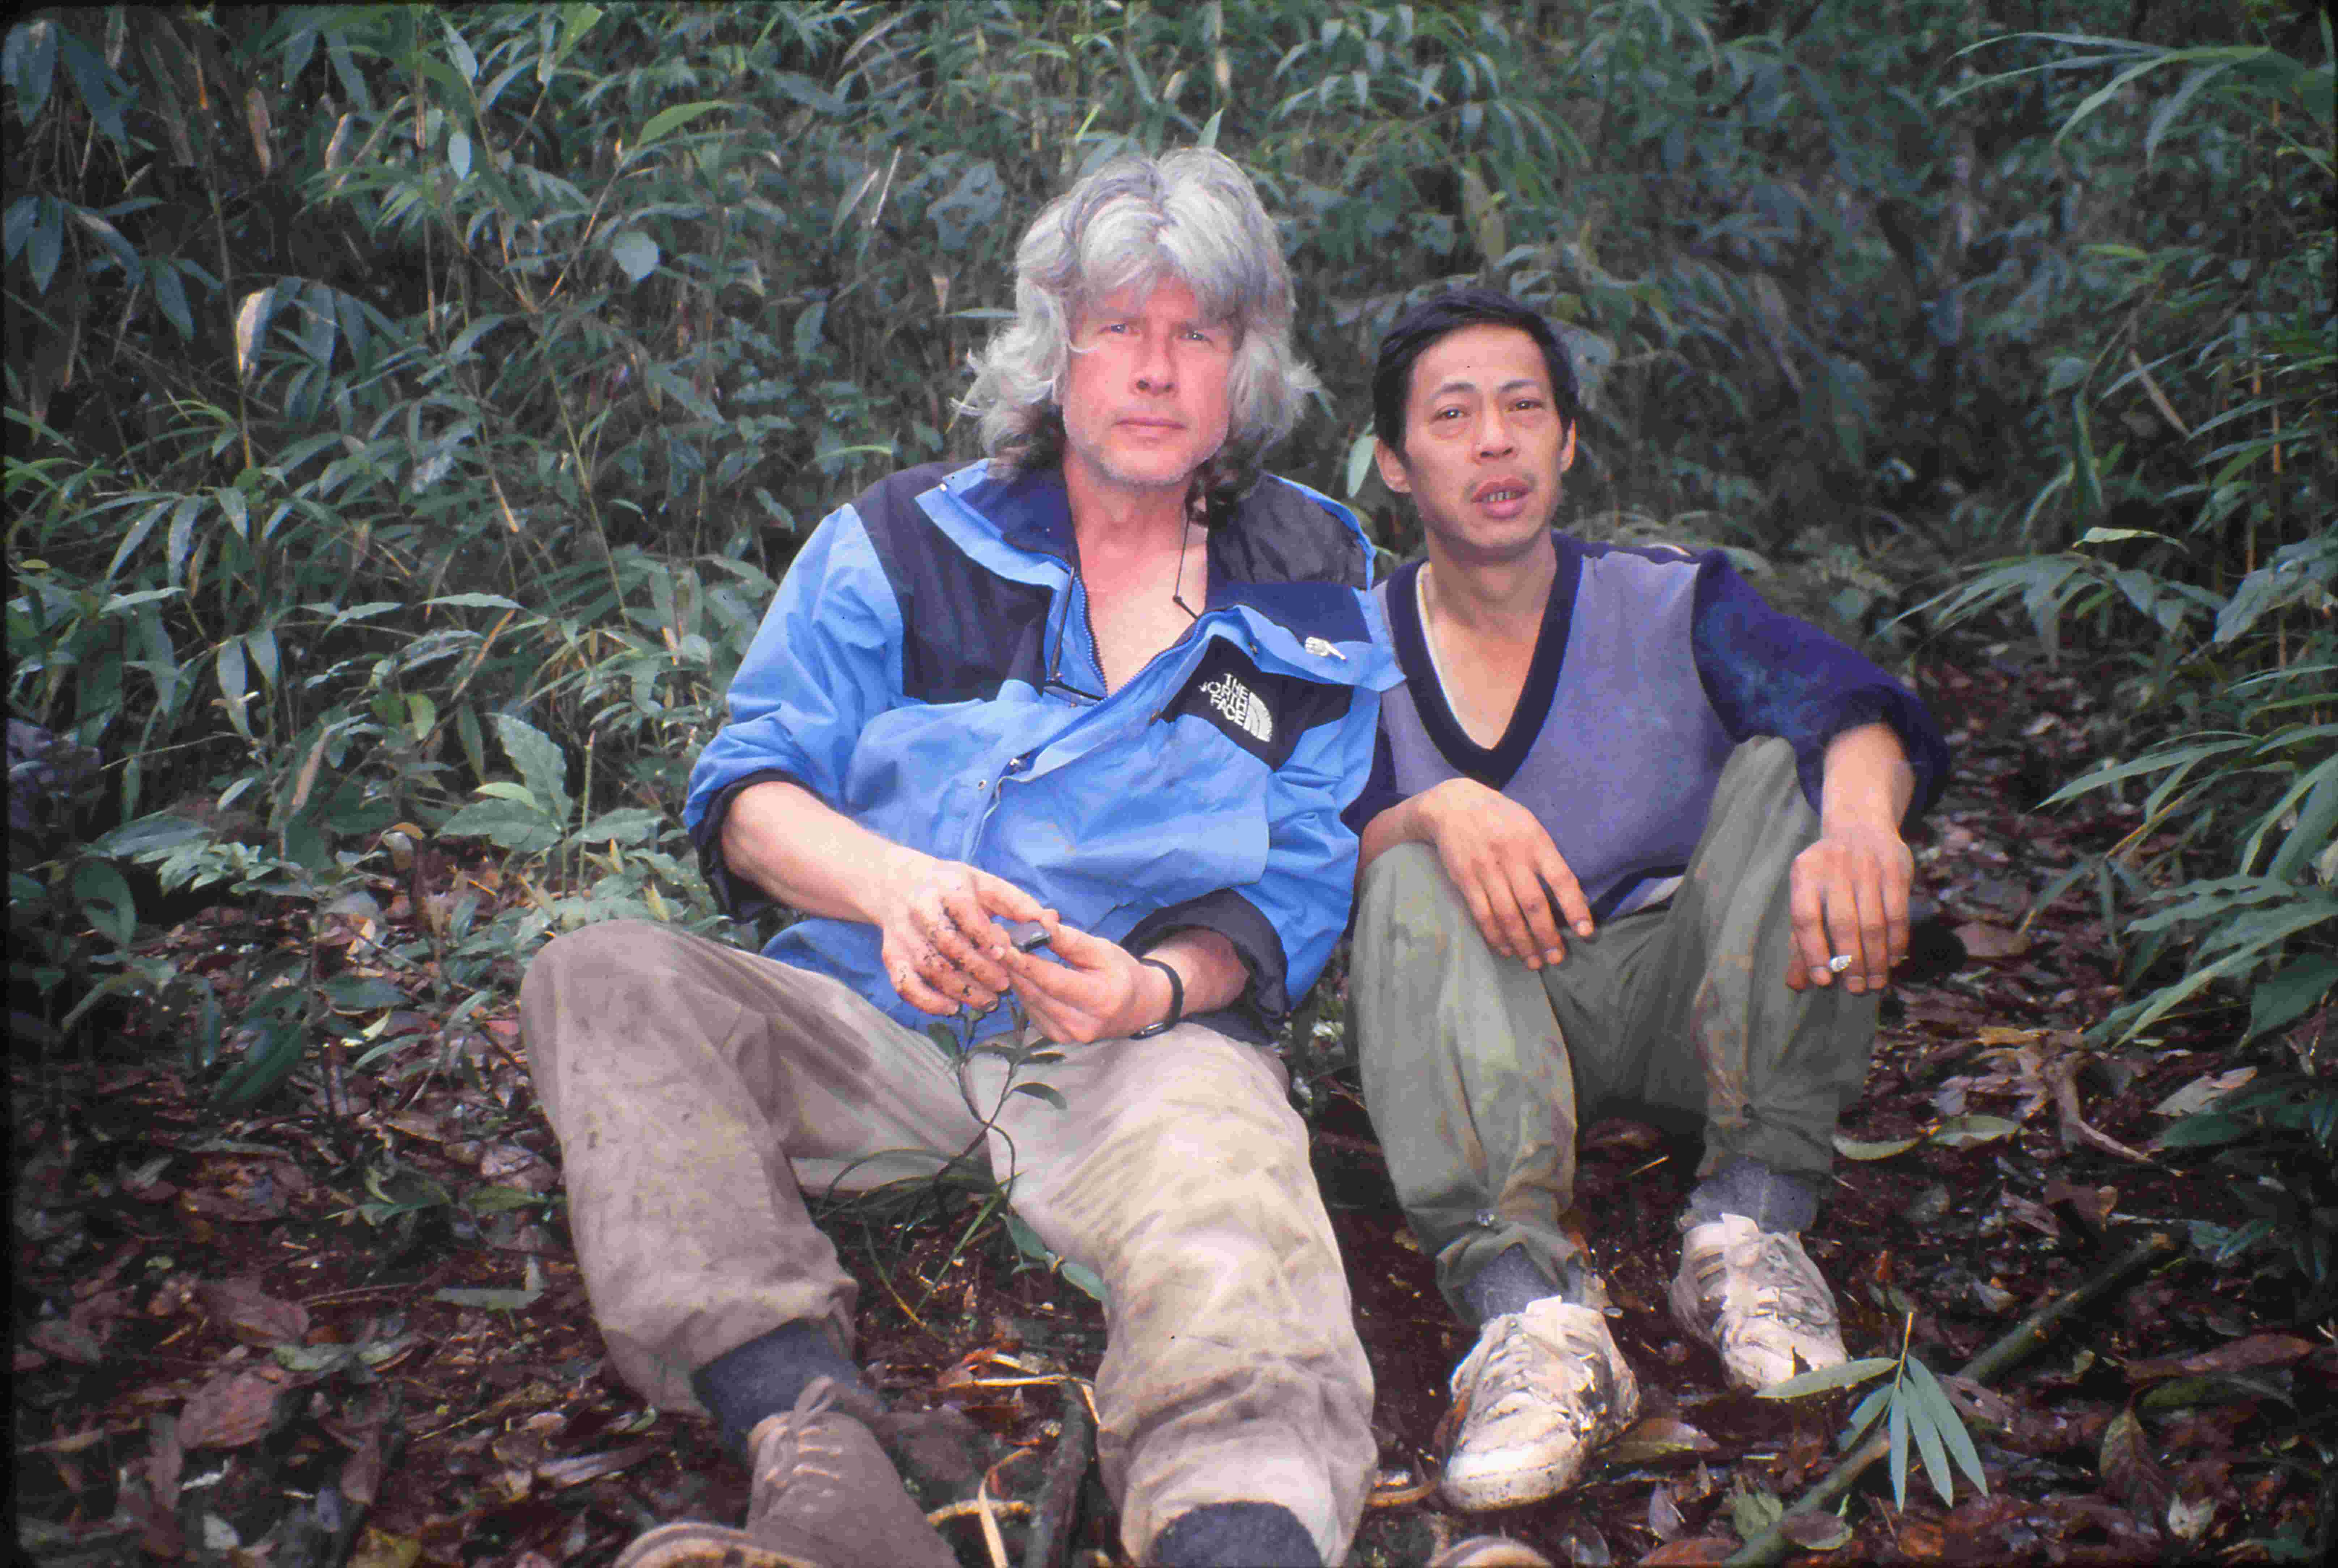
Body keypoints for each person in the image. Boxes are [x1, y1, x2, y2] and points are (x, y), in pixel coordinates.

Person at [519, 148, 1399, 1568]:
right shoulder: (905, 539)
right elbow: (749, 789)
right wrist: (892, 886)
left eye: (1198, 333)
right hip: (875, 1018)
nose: (1156, 369)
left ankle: (1240, 1530)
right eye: (1118, 326)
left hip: (1130, 1051)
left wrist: (1156, 988)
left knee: (1235, 1192)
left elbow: (1301, 867)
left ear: (1247, 366)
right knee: (604, 978)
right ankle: (816, 1453)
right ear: (1054, 346)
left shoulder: (1312, 570)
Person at [1343, 288, 1951, 1512]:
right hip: (1489, 1034)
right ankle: (1529, 1316)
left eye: (1525, 408)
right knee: (1400, 858)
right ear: (1396, 464)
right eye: (1452, 417)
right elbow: (1304, 849)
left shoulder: (1672, 601)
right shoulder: (1350, 647)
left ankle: (1752, 1227)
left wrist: (1859, 824)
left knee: (1798, 767)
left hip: (1696, 1001)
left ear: (1569, 440)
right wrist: (1437, 810)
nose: (1495, 442)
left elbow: (1851, 702)